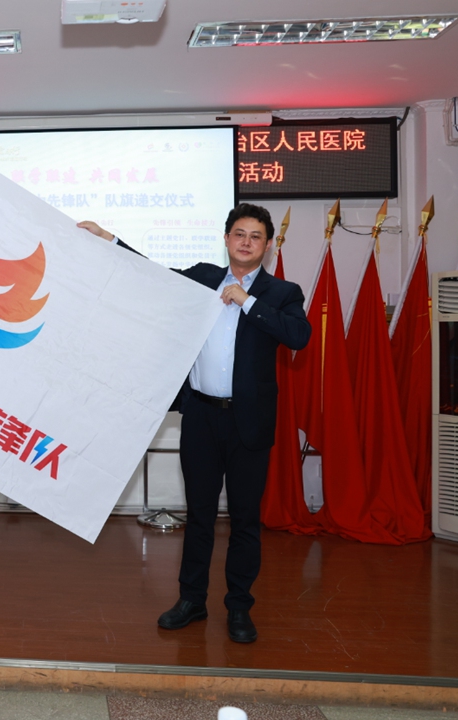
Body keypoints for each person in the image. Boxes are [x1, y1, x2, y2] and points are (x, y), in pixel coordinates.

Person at [78, 204, 311, 643]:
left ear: (267, 245)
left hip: (250, 424)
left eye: (255, 236)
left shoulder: (282, 292)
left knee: (244, 520)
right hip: (202, 416)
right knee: (199, 515)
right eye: (238, 233)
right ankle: (192, 600)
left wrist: (248, 301)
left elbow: (298, 336)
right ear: (226, 239)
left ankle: (239, 607)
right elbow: (151, 276)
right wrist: (108, 238)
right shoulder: (203, 277)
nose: (246, 242)